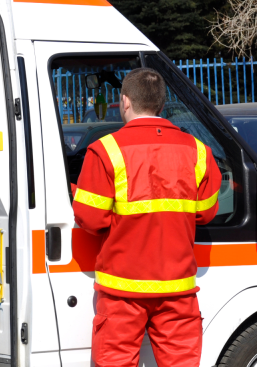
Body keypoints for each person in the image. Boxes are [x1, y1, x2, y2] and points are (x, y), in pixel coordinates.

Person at [72, 67, 221, 367]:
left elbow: (91, 219)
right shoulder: (199, 151)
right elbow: (205, 213)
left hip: (122, 291)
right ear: (161, 104)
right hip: (177, 291)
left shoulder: (105, 150)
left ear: (125, 101)